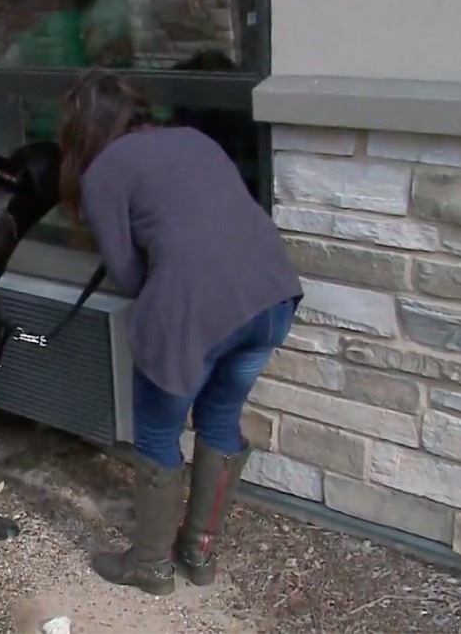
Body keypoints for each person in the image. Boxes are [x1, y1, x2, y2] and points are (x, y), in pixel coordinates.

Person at [56, 69, 303, 595]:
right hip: (270, 300)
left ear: (80, 128)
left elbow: (128, 277)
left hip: (197, 312)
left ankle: (150, 566)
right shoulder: (194, 138)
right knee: (219, 420)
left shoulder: (101, 173)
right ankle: (199, 553)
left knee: (157, 435)